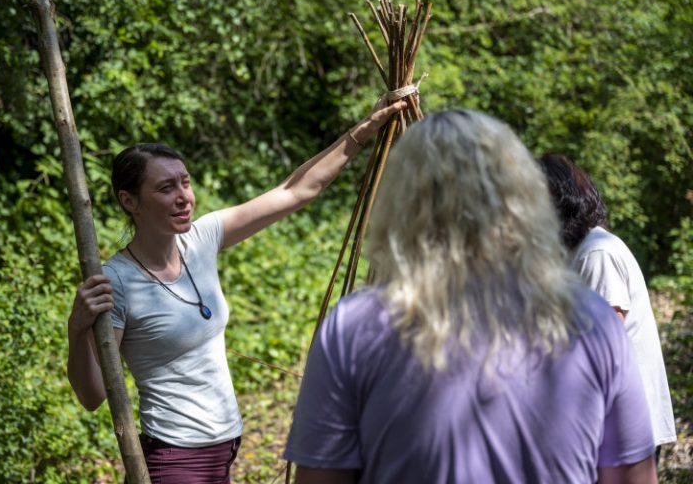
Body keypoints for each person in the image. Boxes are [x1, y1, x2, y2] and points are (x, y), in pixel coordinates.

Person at [283, 110, 657, 483]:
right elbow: (633, 478)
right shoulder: (592, 321)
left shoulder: (355, 327)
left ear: (400, 204)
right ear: (521, 201)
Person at [66, 100, 408, 483]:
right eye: (165, 188)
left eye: (185, 182)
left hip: (224, 450)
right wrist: (77, 329)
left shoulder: (202, 238)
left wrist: (365, 128)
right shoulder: (117, 281)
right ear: (129, 201)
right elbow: (93, 395)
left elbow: (296, 190)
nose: (183, 197)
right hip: (175, 458)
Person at [538, 153, 676, 460]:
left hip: (621, 432)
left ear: (560, 203)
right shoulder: (578, 254)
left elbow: (601, 350)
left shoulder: (597, 253)